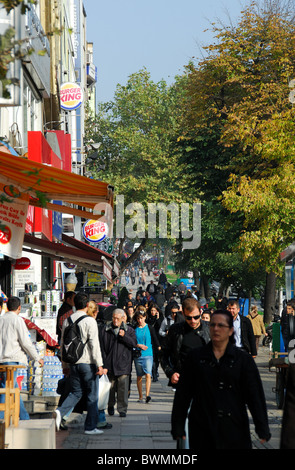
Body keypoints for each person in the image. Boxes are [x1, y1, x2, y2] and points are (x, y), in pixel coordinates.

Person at [171, 309, 271, 449]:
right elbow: (183, 394)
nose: (216, 329)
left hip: (234, 426)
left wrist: (262, 427)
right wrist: (178, 425)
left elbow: (255, 395)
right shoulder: (196, 357)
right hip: (202, 426)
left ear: (230, 330)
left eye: (221, 325)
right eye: (212, 325)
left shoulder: (243, 360)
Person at [53, 292, 105, 435]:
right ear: (87, 305)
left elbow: (63, 344)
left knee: (76, 392)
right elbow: (94, 345)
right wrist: (99, 365)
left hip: (73, 363)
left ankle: (60, 411)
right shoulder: (90, 321)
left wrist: (64, 365)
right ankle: (90, 427)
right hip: (88, 363)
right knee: (92, 395)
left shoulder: (67, 320)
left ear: (74, 304)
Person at [0, 296, 44, 421]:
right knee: (8, 387)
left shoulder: (1, 319)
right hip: (11, 359)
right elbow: (26, 342)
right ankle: (3, 417)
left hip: (1, 359)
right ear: (19, 308)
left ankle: (24, 416)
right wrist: (37, 357)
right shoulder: (17, 320)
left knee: (11, 387)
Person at [160, 297, 210, 387]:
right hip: (183, 381)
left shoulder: (211, 329)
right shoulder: (175, 330)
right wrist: (171, 373)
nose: (193, 321)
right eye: (189, 318)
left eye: (196, 317)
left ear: (200, 312)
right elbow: (163, 354)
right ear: (183, 314)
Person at [99, 309, 137, 418]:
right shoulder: (106, 330)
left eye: (118, 318)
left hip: (123, 365)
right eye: (114, 318)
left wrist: (124, 336)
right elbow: (102, 348)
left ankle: (122, 409)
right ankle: (110, 405)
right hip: (109, 364)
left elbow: (134, 343)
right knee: (110, 388)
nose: (115, 321)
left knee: (122, 389)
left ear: (122, 319)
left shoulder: (129, 330)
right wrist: (104, 365)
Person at [133, 307, 161, 403]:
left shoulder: (149, 328)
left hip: (148, 354)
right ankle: (140, 396)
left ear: (145, 317)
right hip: (138, 355)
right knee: (139, 375)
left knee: (148, 374)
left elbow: (155, 338)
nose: (140, 320)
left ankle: (147, 395)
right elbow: (132, 341)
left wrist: (159, 347)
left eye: (141, 318)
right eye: (138, 318)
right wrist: (138, 345)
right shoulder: (134, 329)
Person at [146, 303, 163, 382]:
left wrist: (158, 318)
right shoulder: (148, 318)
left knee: (156, 358)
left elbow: (161, 327)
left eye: (154, 310)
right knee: (151, 358)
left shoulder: (160, 318)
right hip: (150, 340)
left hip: (158, 340)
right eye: (151, 310)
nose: (153, 312)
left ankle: (155, 371)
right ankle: (153, 374)